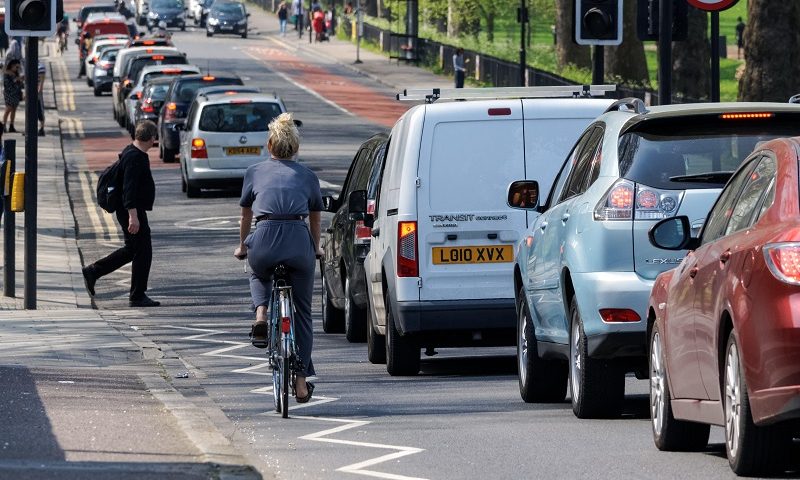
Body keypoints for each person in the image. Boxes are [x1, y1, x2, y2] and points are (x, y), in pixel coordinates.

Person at [234, 112, 322, 404]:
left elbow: (246, 215)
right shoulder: (308, 176)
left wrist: (242, 246)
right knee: (304, 314)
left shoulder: (254, 171)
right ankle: (299, 383)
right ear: (295, 148)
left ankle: (260, 313)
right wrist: (317, 247)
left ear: (270, 145)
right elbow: (314, 217)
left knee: (258, 271)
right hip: (299, 240)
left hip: (265, 236)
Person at [82, 121, 161, 308]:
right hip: (130, 210)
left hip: (131, 209)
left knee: (133, 250)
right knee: (142, 251)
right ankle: (136, 295)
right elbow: (129, 189)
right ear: (151, 138)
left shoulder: (132, 151)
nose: (155, 141)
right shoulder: (135, 157)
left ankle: (94, 272)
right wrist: (133, 216)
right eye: (154, 137)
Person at [3, 60, 24, 134]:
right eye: (17, 67)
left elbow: (21, 85)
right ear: (12, 65)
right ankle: (4, 125)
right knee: (8, 109)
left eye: (18, 67)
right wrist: (16, 80)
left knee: (14, 109)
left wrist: (21, 81)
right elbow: (7, 85)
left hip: (16, 94)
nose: (17, 69)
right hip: (9, 93)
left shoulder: (16, 73)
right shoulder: (7, 73)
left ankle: (11, 125)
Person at [37, 63, 46, 137]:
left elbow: (41, 81)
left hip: (37, 94)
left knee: (40, 111)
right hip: (31, 92)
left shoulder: (40, 66)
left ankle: (41, 129)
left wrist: (39, 90)